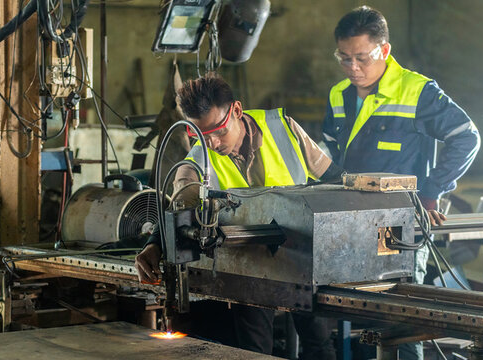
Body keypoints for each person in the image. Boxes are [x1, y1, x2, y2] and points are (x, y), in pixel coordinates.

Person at [135, 72, 342, 356]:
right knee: (254, 350)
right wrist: (154, 245)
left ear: (236, 111)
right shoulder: (195, 163)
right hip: (251, 267)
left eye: (219, 131)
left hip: (304, 258)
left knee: (318, 343)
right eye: (201, 135)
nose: (213, 144)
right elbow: (177, 211)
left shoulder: (284, 131)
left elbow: (334, 179)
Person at [322, 6, 481, 359]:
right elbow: (328, 157)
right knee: (360, 318)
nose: (353, 68)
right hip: (350, 223)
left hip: (401, 229)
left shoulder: (417, 91)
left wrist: (430, 191)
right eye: (344, 58)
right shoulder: (339, 95)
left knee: (403, 322)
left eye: (362, 58)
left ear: (385, 51)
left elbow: (466, 137)